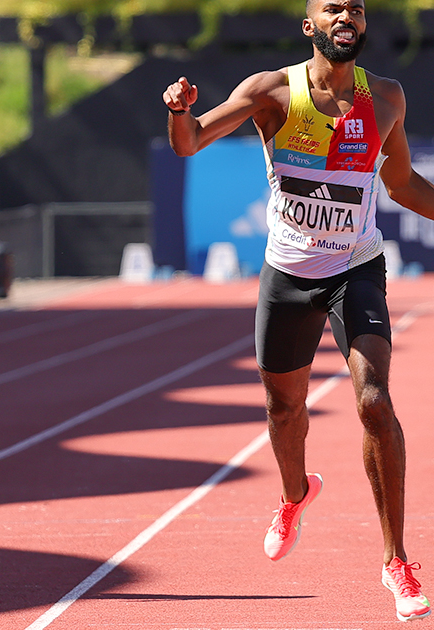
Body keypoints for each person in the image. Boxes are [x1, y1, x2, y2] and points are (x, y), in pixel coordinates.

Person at [163, 0, 434, 621]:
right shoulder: (270, 94)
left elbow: (401, 186)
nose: (348, 14)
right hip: (288, 274)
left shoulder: (386, 98)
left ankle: (396, 562)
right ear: (309, 25)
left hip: (356, 268)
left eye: (358, 8)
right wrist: (179, 111)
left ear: (363, 26)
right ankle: (293, 496)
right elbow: (191, 142)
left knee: (374, 400)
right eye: (333, 6)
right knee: (285, 408)